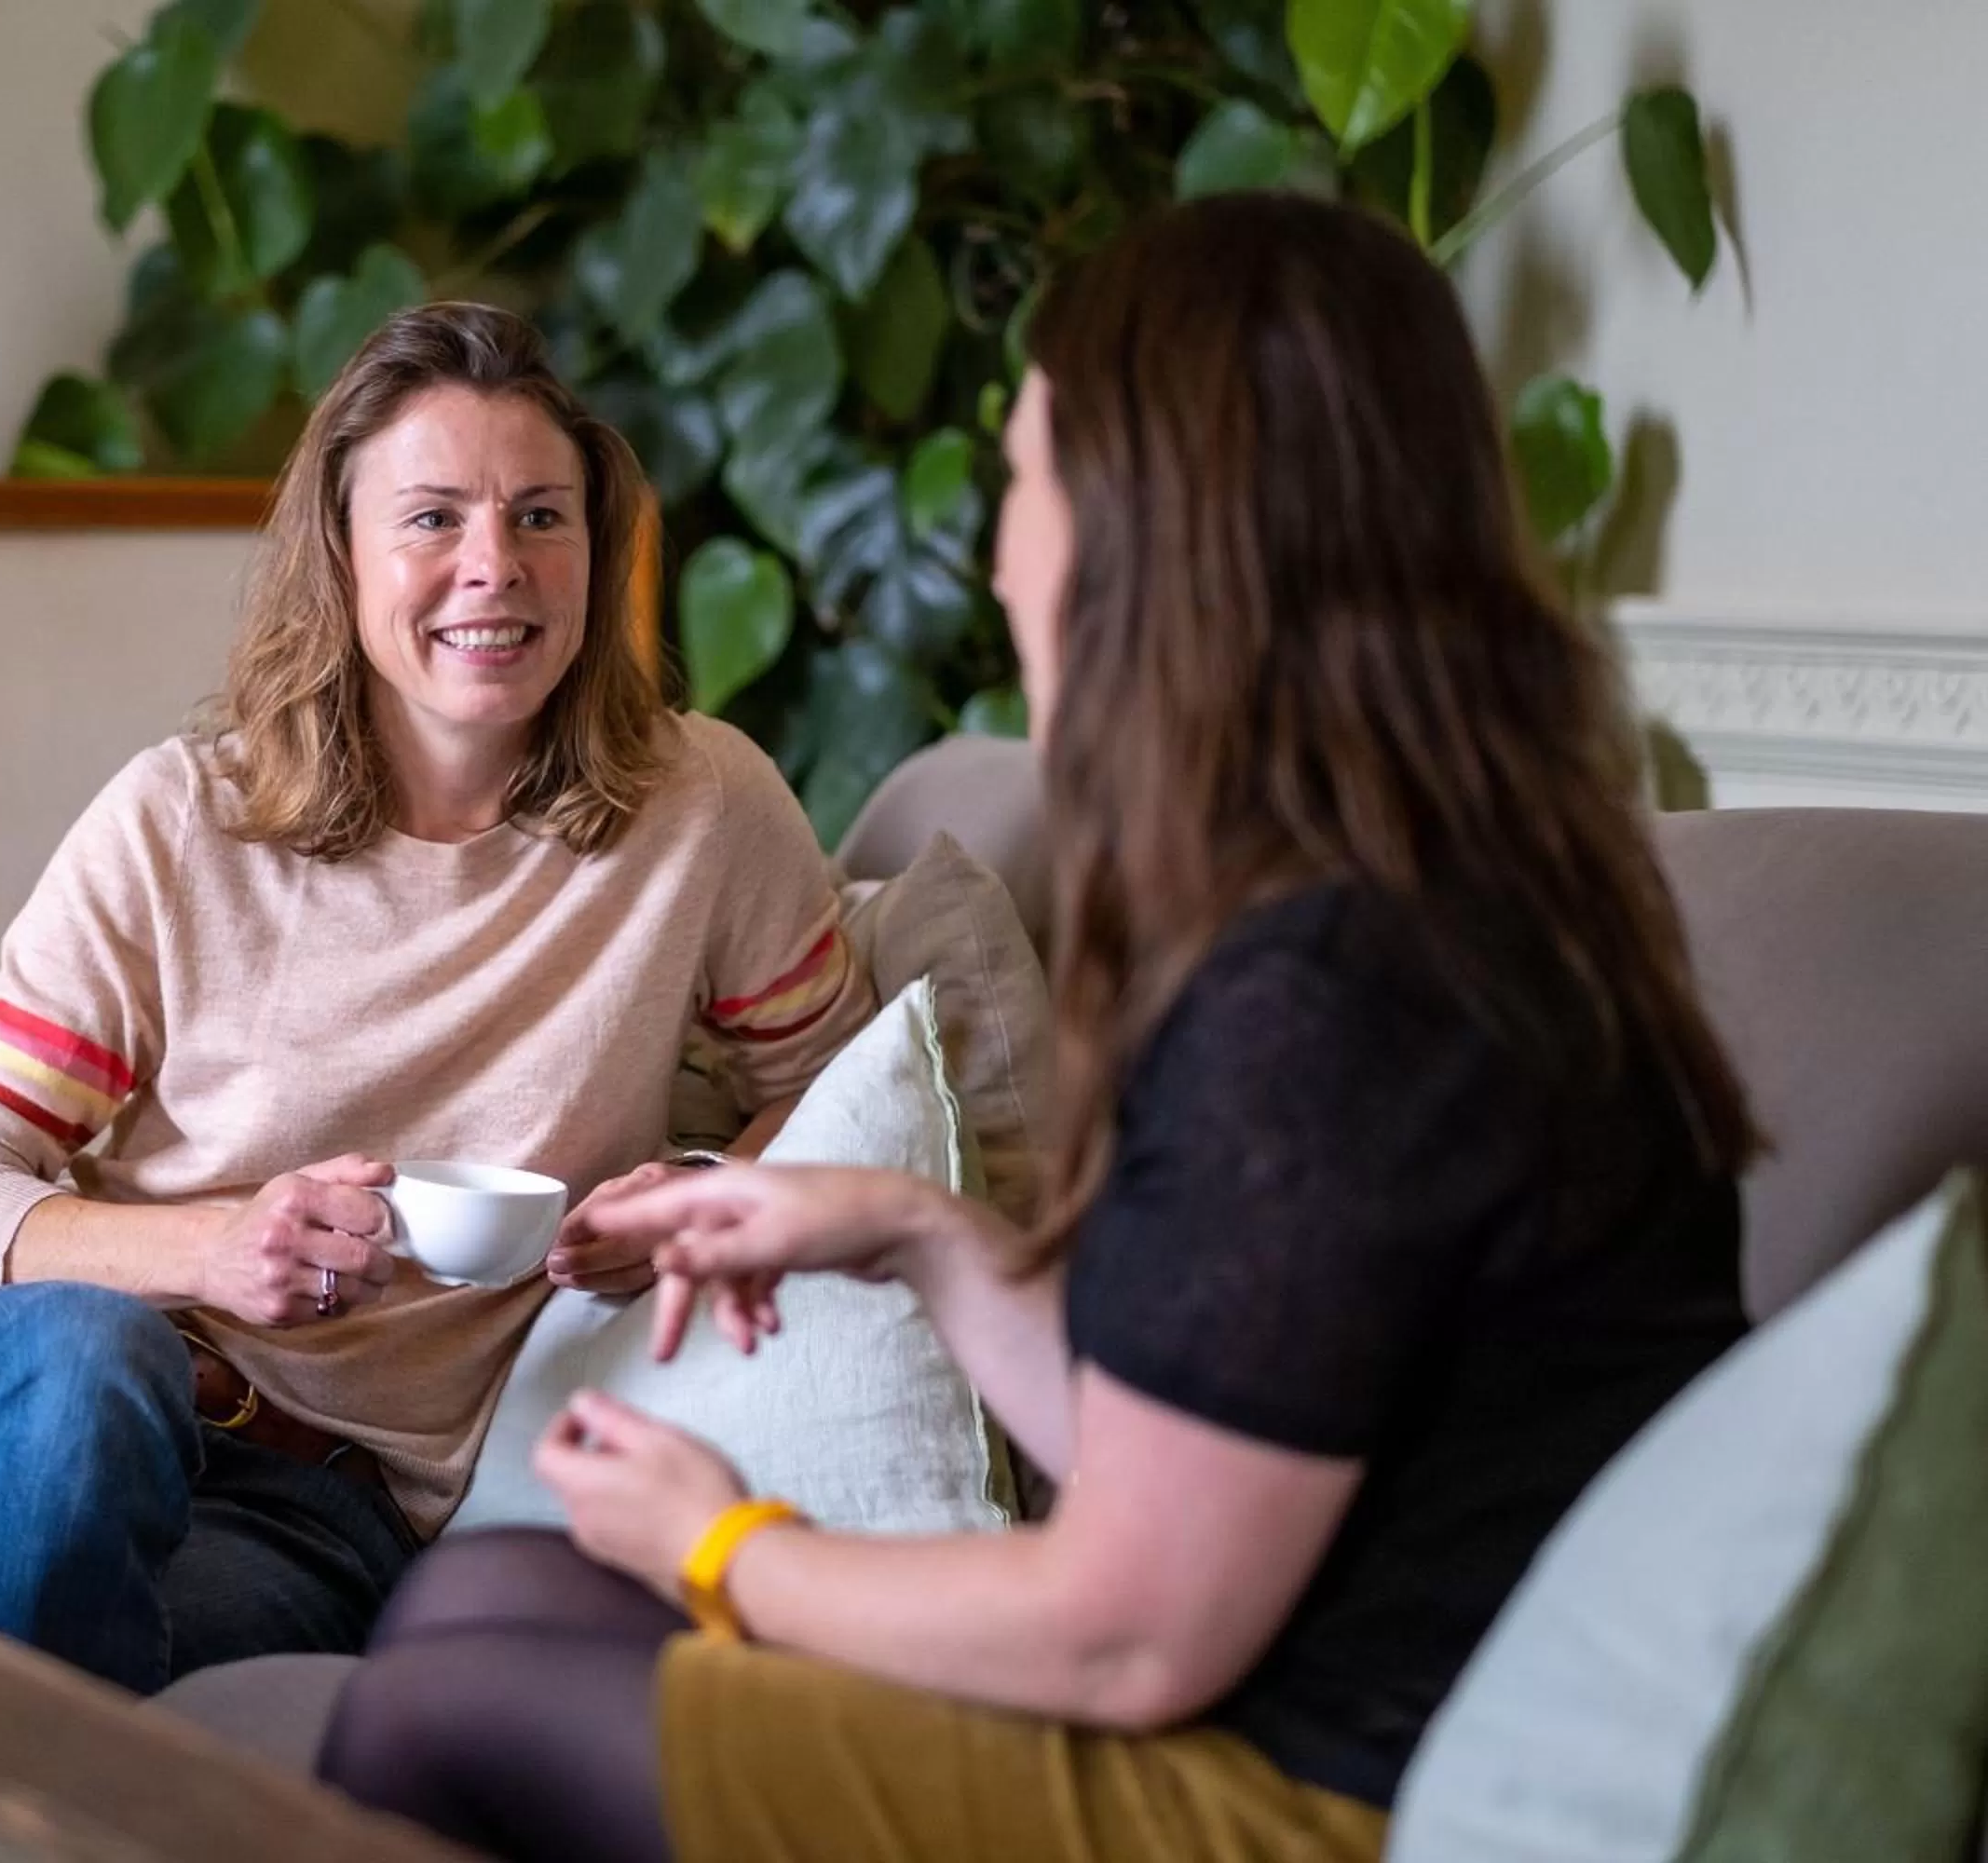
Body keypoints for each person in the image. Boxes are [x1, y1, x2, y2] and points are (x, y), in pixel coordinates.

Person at [315, 194, 1762, 1863]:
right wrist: (918, 1236)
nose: (1002, 548)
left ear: (1156, 536)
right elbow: (1197, 1452)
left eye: (1025, 480)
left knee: (442, 1706)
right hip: (1289, 1717)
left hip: (1301, 1806)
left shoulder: (1337, 1000)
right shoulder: (1437, 901)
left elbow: (1131, 1628)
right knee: (490, 1593)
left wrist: (729, 1549)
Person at [0, 303, 873, 1693]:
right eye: (433, 519)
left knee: (94, 1647)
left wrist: (689, 1197)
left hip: (316, 1508)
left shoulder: (700, 810)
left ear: (596, 554)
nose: (496, 568)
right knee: (91, 1368)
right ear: (342, 555)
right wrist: (210, 1254)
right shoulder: (182, 825)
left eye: (542, 517)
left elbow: (847, 1096)